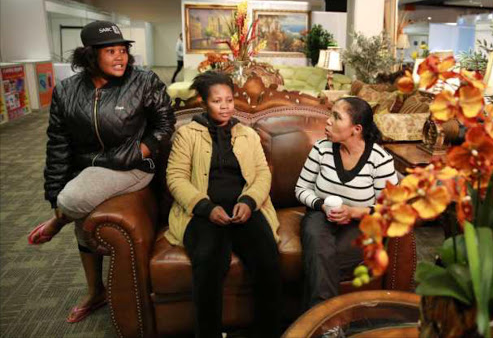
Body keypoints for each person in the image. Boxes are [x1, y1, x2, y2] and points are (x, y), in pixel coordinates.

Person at [27, 20, 175, 323]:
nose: (120, 57)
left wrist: (139, 151)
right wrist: (54, 191)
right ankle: (95, 292)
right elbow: (58, 143)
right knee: (77, 202)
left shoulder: (143, 81)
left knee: (74, 199)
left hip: (132, 166)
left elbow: (165, 123)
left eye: (123, 50)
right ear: (90, 55)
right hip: (88, 168)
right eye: (111, 52)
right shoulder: (66, 91)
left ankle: (58, 221)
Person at [165, 71, 281, 338]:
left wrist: (250, 201)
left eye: (229, 99)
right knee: (207, 261)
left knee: (267, 260)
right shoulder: (187, 134)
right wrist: (205, 207)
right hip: (203, 212)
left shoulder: (247, 134)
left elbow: (263, 174)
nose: (226, 106)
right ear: (204, 103)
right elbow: (175, 177)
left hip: (245, 209)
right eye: (218, 101)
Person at [296, 97, 398, 309]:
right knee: (317, 240)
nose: (328, 121)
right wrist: (320, 205)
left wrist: (355, 212)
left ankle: (320, 323)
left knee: (320, 259)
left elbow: (391, 208)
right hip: (320, 215)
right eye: (330, 114)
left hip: (360, 223)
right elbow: (300, 189)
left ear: (356, 129)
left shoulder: (380, 160)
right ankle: (331, 325)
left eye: (336, 117)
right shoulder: (321, 149)